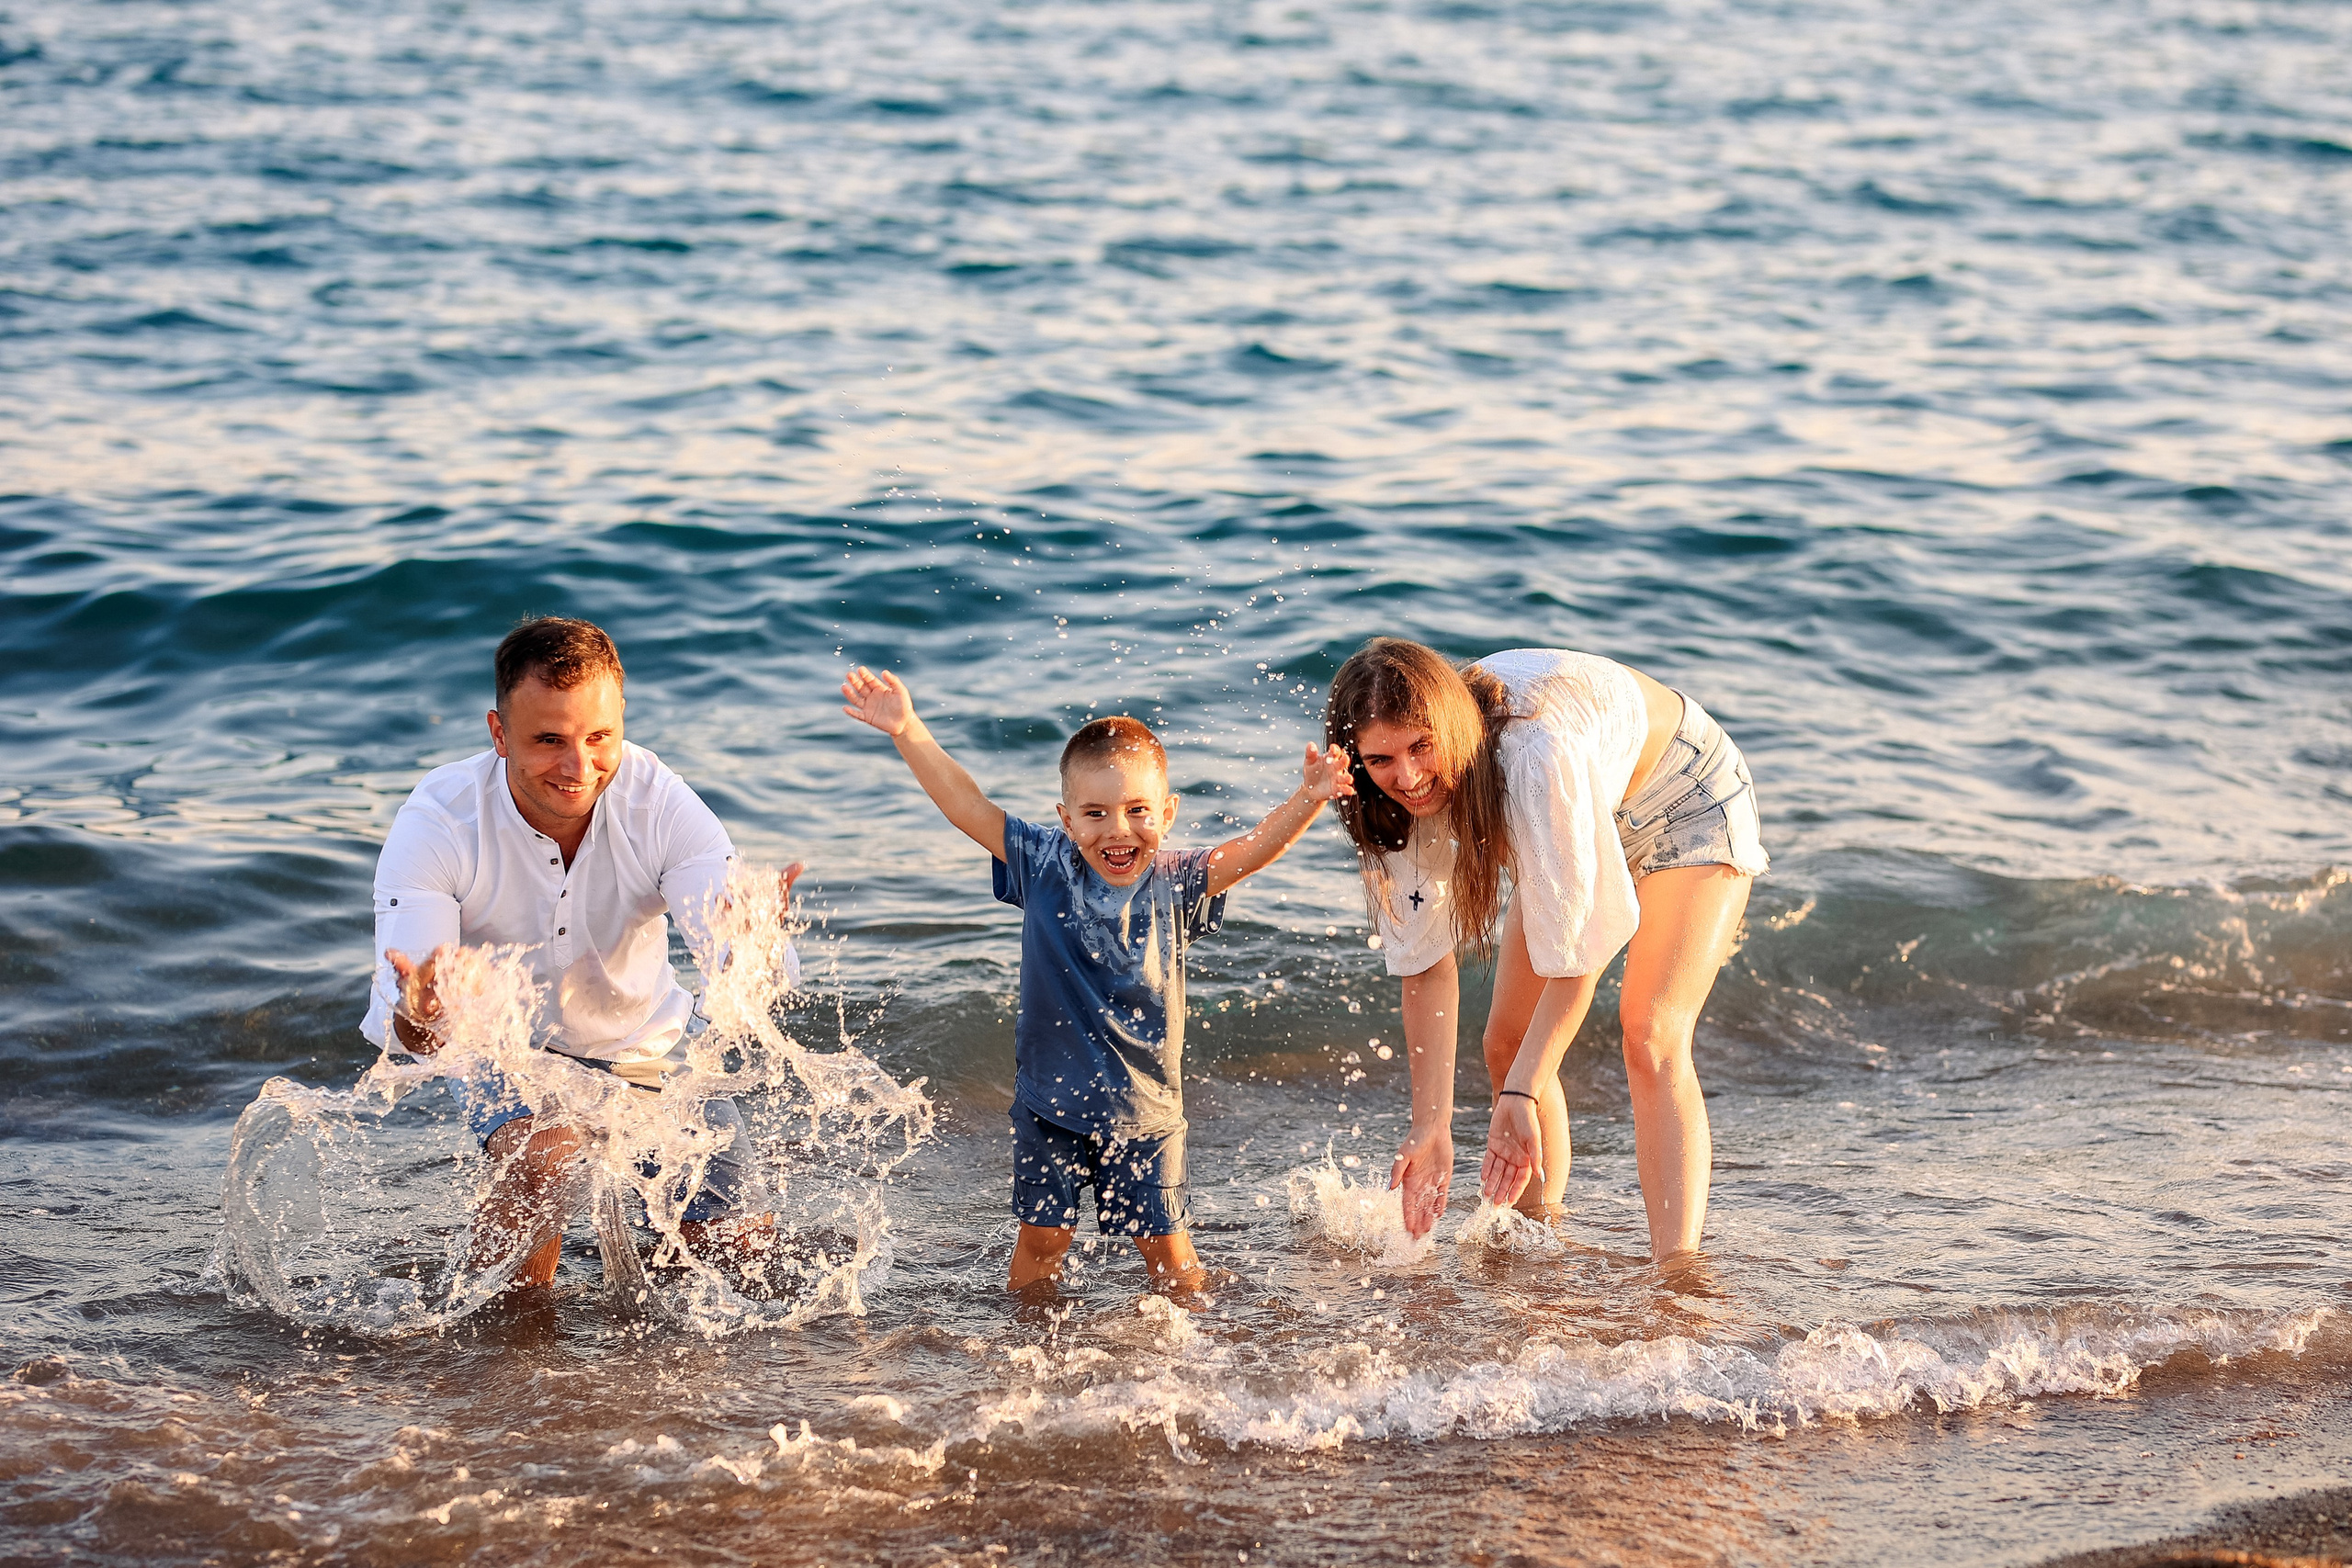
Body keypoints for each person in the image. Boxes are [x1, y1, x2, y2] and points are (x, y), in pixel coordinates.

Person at [841, 665, 1351, 1296]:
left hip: (1149, 1112)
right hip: (1048, 1107)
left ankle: (1193, 1361)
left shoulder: (1176, 880)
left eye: (1138, 810)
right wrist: (907, 728)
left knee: (1168, 1250)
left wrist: (1310, 797)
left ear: (1167, 812)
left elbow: (1248, 850)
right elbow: (968, 806)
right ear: (1066, 817)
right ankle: (1027, 1346)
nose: (1117, 829)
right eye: (1095, 813)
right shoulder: (1042, 863)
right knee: (1043, 1239)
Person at [365, 616, 802, 1289]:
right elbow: (421, 1034)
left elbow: (740, 968)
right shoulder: (440, 822)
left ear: (622, 716)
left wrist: (749, 946)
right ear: (498, 732)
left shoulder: (661, 805)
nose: (579, 767)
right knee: (549, 1156)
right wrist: (428, 1009)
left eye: (600, 737)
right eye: (549, 740)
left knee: (741, 1264)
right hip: (505, 1047)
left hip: (643, 1045)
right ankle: (498, 1355)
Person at [1324, 638, 1767, 1262]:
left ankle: (1677, 1276)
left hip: (1685, 796)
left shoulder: (1534, 759)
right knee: (1506, 1042)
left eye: (1422, 745)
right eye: (1381, 758)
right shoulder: (1392, 803)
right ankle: (1540, 1244)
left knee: (1650, 1030)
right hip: (1583, 808)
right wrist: (1432, 1126)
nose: (1410, 776)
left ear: (1450, 722)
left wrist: (1523, 1092)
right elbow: (1426, 971)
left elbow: (1578, 953)